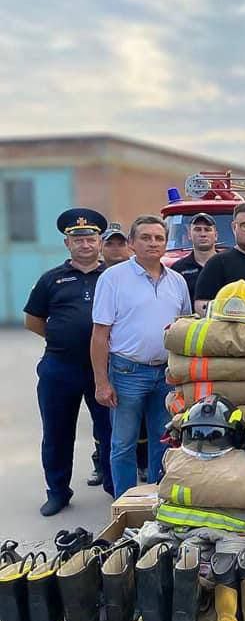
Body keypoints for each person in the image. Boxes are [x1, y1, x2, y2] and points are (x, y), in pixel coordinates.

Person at [91, 215, 192, 496]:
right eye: (145, 238)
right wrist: (101, 382)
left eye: (159, 238)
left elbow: (183, 330)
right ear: (132, 243)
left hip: (166, 374)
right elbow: (100, 334)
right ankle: (124, 506)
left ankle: (155, 502)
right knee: (123, 443)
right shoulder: (113, 278)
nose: (153, 243)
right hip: (127, 373)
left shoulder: (177, 282)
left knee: (164, 440)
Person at [23, 208, 114, 515]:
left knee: (110, 430)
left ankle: (115, 486)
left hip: (103, 369)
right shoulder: (52, 280)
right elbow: (32, 320)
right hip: (60, 368)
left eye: (90, 238)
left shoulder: (113, 277)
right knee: (58, 432)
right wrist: (62, 338)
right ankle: (58, 491)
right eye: (78, 240)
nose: (85, 244)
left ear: (99, 241)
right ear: (67, 244)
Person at [171, 212, 217, 304]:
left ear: (216, 235)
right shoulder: (178, 269)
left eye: (207, 229)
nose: (203, 234)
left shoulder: (228, 264)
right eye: (197, 229)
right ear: (189, 235)